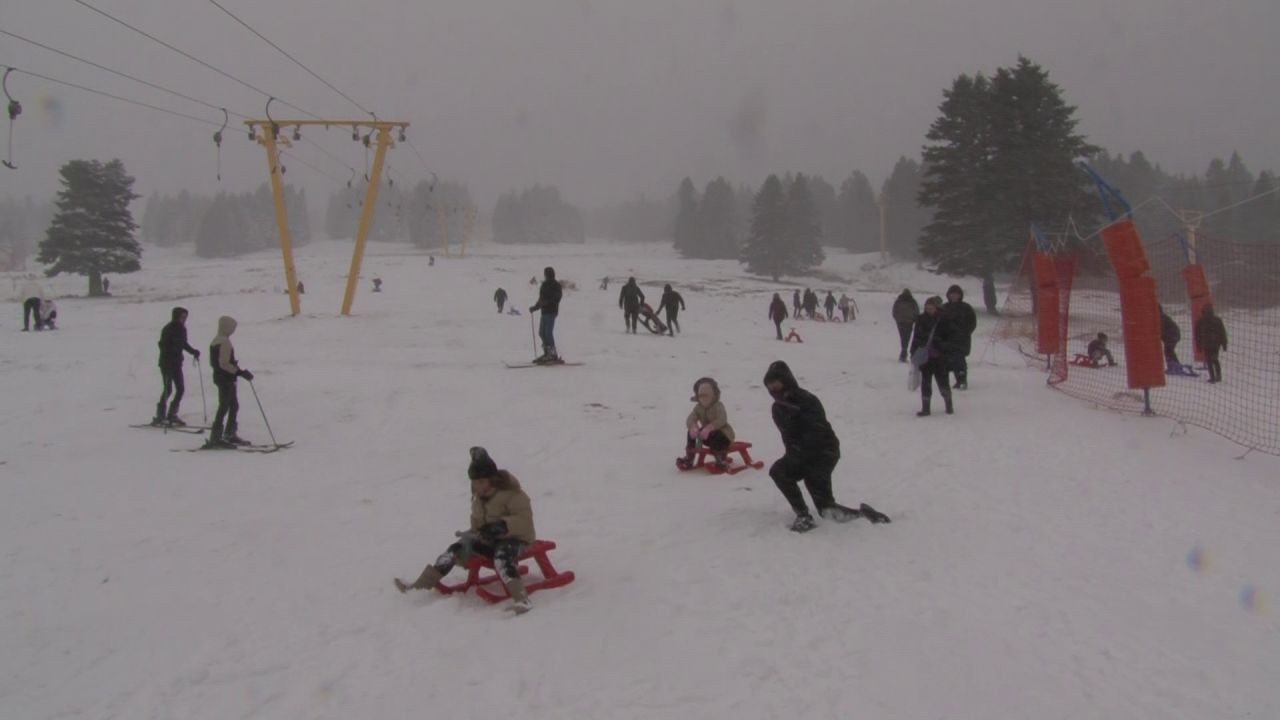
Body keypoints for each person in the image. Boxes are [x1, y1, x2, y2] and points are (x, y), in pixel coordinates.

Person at [393, 447, 536, 614]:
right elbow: (477, 524)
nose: (478, 486)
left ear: (493, 479)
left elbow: (525, 521)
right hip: (490, 541)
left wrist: (502, 526)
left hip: (517, 540)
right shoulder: (478, 499)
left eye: (482, 482)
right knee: (455, 549)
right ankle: (419, 587)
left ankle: (522, 599)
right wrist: (473, 536)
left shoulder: (511, 493)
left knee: (502, 556)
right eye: (475, 482)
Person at [762, 361, 863, 532]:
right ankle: (802, 515)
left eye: (776, 383)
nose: (773, 389)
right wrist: (793, 455)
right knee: (779, 471)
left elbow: (818, 431)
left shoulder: (807, 400)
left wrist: (802, 452)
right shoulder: (777, 408)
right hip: (799, 454)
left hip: (824, 453)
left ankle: (865, 516)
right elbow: (787, 436)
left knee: (826, 509)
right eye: (769, 386)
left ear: (786, 380)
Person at [207, 316, 253, 448]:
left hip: (220, 377)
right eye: (232, 328)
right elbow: (224, 363)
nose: (233, 330)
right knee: (226, 406)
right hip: (225, 378)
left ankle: (227, 434)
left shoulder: (216, 340)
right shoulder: (224, 342)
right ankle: (219, 436)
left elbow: (218, 362)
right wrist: (239, 372)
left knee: (231, 405)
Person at [154, 307, 201, 426]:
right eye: (182, 317)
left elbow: (182, 343)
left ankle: (170, 414)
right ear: (177, 316)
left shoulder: (181, 328)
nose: (184, 319)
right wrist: (170, 354)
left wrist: (193, 351)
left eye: (185, 317)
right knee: (169, 389)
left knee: (178, 389)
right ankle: (162, 415)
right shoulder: (170, 328)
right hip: (167, 363)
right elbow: (163, 345)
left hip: (175, 363)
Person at [676, 377, 735, 471]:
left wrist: (710, 428)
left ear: (713, 395)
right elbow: (691, 418)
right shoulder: (698, 408)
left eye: (706, 396)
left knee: (715, 434)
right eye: (701, 396)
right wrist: (693, 427)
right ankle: (689, 458)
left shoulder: (718, 406)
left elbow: (722, 419)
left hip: (724, 436)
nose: (704, 399)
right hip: (706, 436)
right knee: (690, 432)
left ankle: (720, 460)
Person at [911, 296, 954, 417]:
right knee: (926, 382)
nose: (929, 310)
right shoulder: (920, 319)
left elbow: (950, 337)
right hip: (925, 355)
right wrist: (913, 351)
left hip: (939, 356)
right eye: (927, 308)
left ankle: (948, 405)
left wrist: (940, 344)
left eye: (931, 308)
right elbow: (915, 337)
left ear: (936, 308)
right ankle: (925, 408)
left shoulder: (943, 320)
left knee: (943, 382)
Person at [942, 285, 977, 389]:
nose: (954, 296)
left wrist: (965, 332)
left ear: (960, 295)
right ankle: (946, 381)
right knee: (947, 361)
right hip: (947, 340)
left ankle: (962, 380)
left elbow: (972, 322)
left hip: (962, 340)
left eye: (956, 294)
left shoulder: (966, 308)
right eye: (951, 294)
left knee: (959, 360)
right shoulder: (944, 308)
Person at [529, 267, 562, 363]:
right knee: (541, 332)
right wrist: (535, 307)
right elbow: (541, 298)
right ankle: (547, 353)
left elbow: (557, 298)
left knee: (548, 332)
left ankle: (553, 354)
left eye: (547, 273)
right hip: (544, 312)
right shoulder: (544, 285)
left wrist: (547, 303)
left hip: (551, 312)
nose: (546, 275)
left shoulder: (556, 285)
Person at [1195, 304, 1228, 383]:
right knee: (1215, 359)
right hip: (1216, 343)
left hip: (1206, 343)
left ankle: (1212, 377)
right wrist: (1224, 344)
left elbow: (1198, 335)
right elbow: (1222, 332)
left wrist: (1199, 346)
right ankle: (1218, 376)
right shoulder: (1217, 320)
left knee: (1209, 360)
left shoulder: (1200, 321)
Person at [892, 289, 920, 362]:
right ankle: (904, 351)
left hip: (901, 322)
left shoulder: (898, 301)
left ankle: (903, 351)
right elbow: (916, 311)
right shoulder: (912, 301)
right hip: (909, 322)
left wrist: (897, 319)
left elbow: (894, 311)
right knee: (906, 337)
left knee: (903, 337)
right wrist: (914, 319)